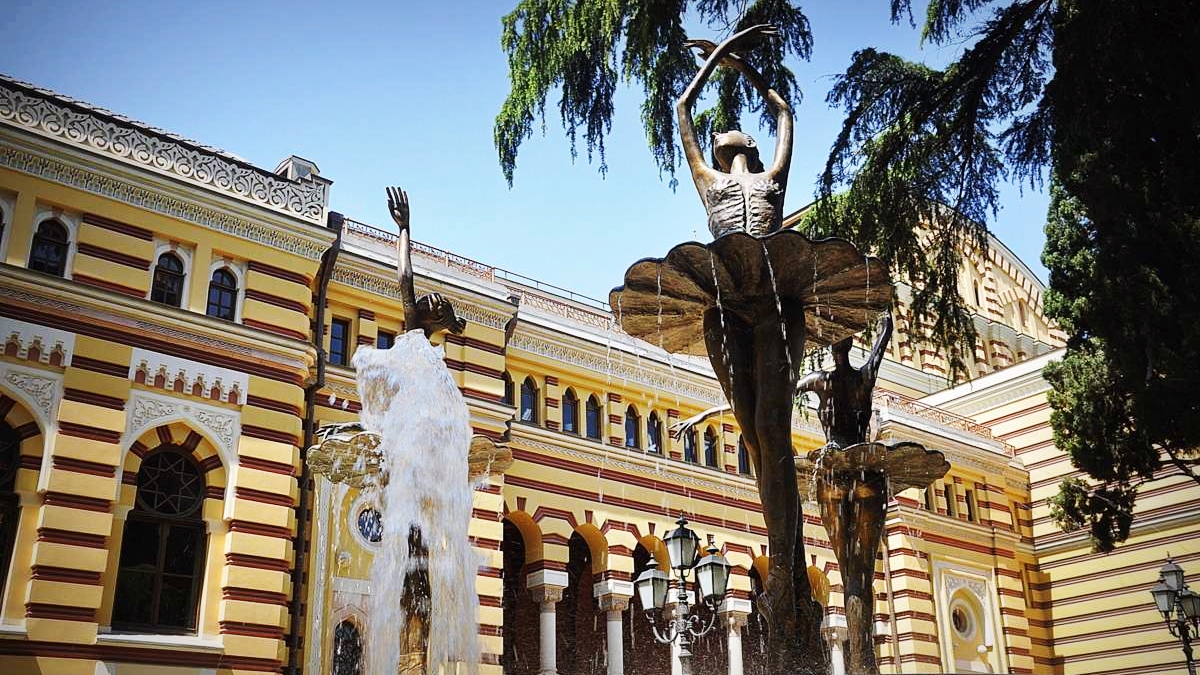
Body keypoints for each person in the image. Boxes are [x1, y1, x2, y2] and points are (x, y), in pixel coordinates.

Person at [677, 26, 793, 238]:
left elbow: (782, 111)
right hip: (724, 265)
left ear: (750, 142)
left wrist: (735, 62)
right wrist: (724, 50)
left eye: (729, 130)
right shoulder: (707, 176)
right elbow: (683, 106)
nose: (714, 134)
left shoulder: (774, 176)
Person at [798, 313, 893, 448]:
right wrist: (884, 309)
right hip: (858, 454)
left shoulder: (820, 380)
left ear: (830, 349)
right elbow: (886, 333)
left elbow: (785, 391)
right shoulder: (864, 377)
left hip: (833, 457)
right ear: (850, 344)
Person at [386, 187, 466, 339]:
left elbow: (405, 277)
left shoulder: (414, 325)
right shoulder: (424, 349)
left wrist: (404, 229)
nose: (425, 299)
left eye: (433, 302)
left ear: (435, 317)